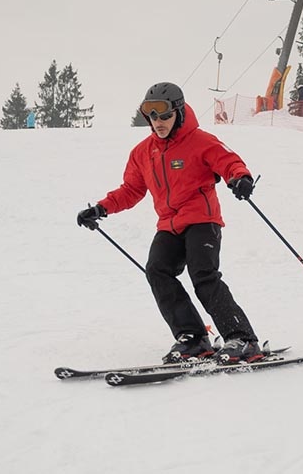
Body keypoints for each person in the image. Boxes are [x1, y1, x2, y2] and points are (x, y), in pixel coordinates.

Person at [76, 81, 263, 365]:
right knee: (157, 270)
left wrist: (240, 178)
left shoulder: (201, 141)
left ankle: (243, 339)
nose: (158, 122)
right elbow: (131, 190)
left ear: (179, 112)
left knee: (204, 276)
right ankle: (193, 337)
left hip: (202, 220)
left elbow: (229, 161)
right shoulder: (143, 152)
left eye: (164, 115)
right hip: (169, 225)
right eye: (152, 116)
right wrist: (101, 209)